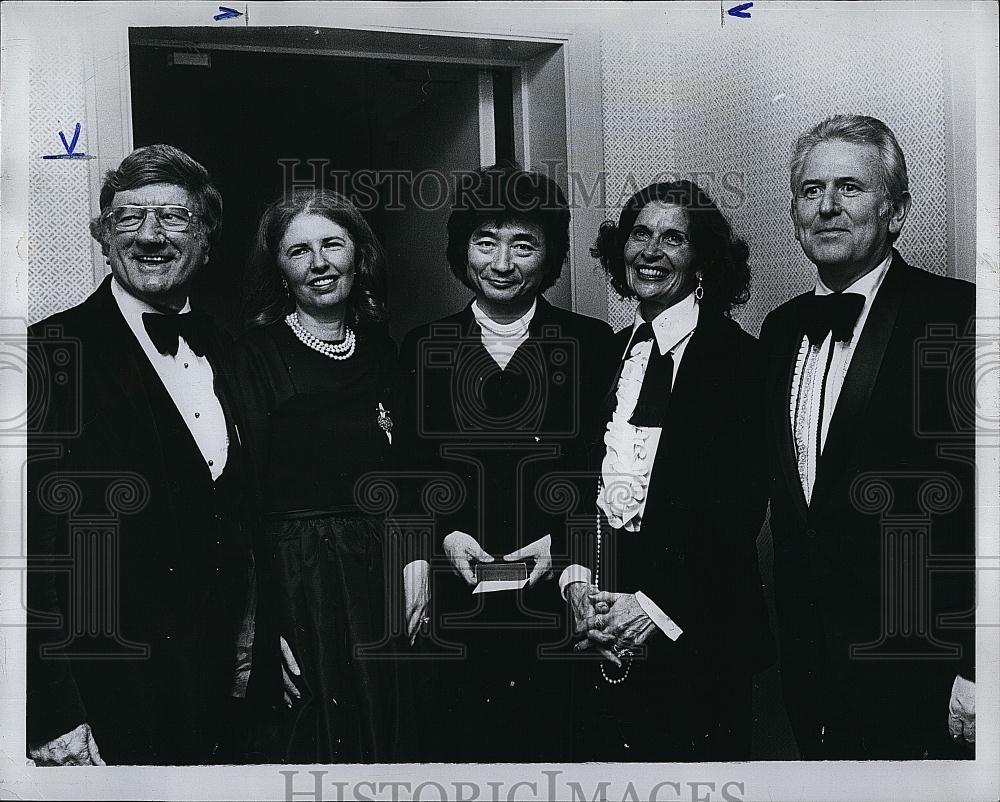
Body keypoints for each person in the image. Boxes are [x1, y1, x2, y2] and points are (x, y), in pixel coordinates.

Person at [26, 144, 256, 765]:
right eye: (130, 219)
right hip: (100, 696)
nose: (151, 235)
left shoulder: (228, 351)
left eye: (174, 218)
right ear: (103, 237)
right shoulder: (50, 353)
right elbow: (23, 550)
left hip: (214, 693)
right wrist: (49, 713)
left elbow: (237, 513)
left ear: (205, 239)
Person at [761, 114, 976, 759]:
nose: (825, 207)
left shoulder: (959, 316)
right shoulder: (780, 329)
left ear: (896, 210)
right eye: (809, 189)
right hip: (809, 668)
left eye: (849, 187)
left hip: (928, 670)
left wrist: (978, 667)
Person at [396, 163, 613, 762]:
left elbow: (606, 472)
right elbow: (410, 472)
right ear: (461, 250)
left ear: (550, 258)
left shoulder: (594, 345)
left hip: (559, 600)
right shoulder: (422, 346)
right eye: (485, 241)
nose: (501, 262)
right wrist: (445, 538)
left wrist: (563, 548)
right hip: (453, 601)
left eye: (523, 244)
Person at [567, 179, 775, 761]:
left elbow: (736, 511)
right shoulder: (606, 354)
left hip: (696, 617)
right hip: (603, 610)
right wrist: (580, 584)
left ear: (704, 260)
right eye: (640, 234)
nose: (650, 250)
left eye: (673, 238)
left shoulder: (740, 360)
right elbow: (580, 488)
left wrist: (652, 605)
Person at [238, 188, 405, 763]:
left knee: (390, 733)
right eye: (298, 251)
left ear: (359, 256)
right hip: (300, 577)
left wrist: (415, 560)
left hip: (382, 571)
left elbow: (409, 475)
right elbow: (246, 498)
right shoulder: (252, 357)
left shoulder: (386, 351)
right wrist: (268, 630)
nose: (319, 264)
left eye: (333, 244)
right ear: (279, 270)